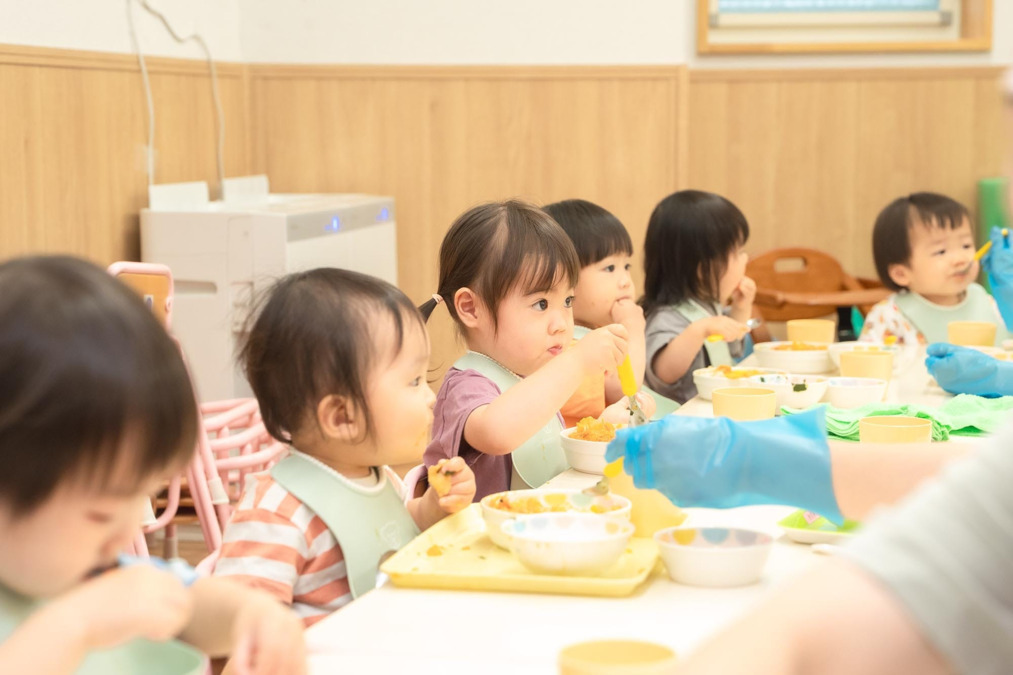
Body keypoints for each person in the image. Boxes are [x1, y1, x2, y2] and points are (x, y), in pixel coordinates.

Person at [0, 256, 305, 674]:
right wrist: (77, 623)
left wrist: (252, 617)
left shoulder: (92, 569)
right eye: (100, 514)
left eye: (144, 495)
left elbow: (190, 603)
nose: (126, 532)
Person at [215, 269, 476, 625]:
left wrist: (431, 509)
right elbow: (241, 633)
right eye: (414, 381)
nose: (431, 398)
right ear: (341, 417)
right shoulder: (278, 513)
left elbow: (389, 530)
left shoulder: (376, 477)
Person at [419, 200, 628, 500]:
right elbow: (498, 432)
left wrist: (601, 428)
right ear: (471, 308)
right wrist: (578, 361)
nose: (561, 324)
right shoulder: (466, 387)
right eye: (541, 304)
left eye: (567, 301)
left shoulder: (532, 374)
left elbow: (550, 462)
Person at [542, 198, 661, 426]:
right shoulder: (566, 344)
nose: (626, 281)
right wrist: (633, 329)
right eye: (609, 268)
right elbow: (623, 389)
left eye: (626, 266)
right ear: (562, 278)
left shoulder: (594, 331)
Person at [640, 190, 755, 404]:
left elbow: (733, 347)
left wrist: (740, 308)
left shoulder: (707, 307)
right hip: (685, 422)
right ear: (703, 269)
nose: (746, 258)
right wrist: (699, 330)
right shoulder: (666, 318)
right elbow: (663, 373)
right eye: (738, 252)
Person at [862, 192, 1008, 346]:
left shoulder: (988, 302)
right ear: (901, 274)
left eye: (966, 245)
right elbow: (866, 366)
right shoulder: (890, 317)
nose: (960, 259)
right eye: (941, 251)